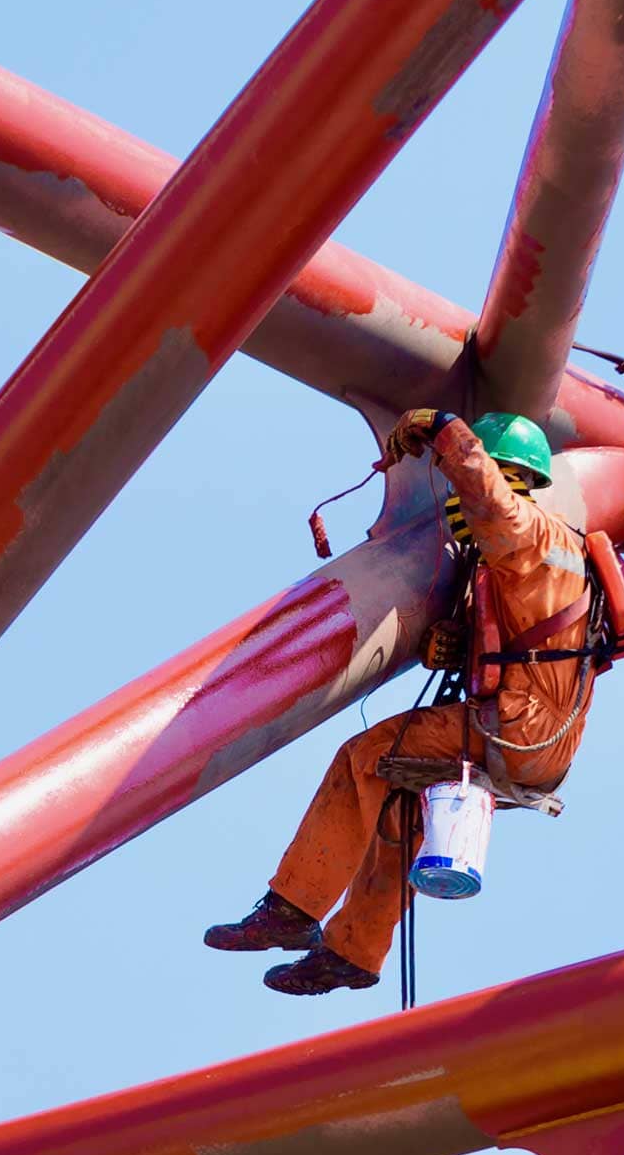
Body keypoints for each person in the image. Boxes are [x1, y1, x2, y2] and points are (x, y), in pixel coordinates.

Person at [204, 408, 598, 995]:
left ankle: (292, 909)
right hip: (545, 739)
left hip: (517, 724)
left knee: (363, 757)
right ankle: (353, 954)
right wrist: (461, 644)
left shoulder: (529, 533)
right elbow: (533, 636)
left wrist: (441, 427)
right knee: (400, 806)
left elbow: (485, 491)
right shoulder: (555, 558)